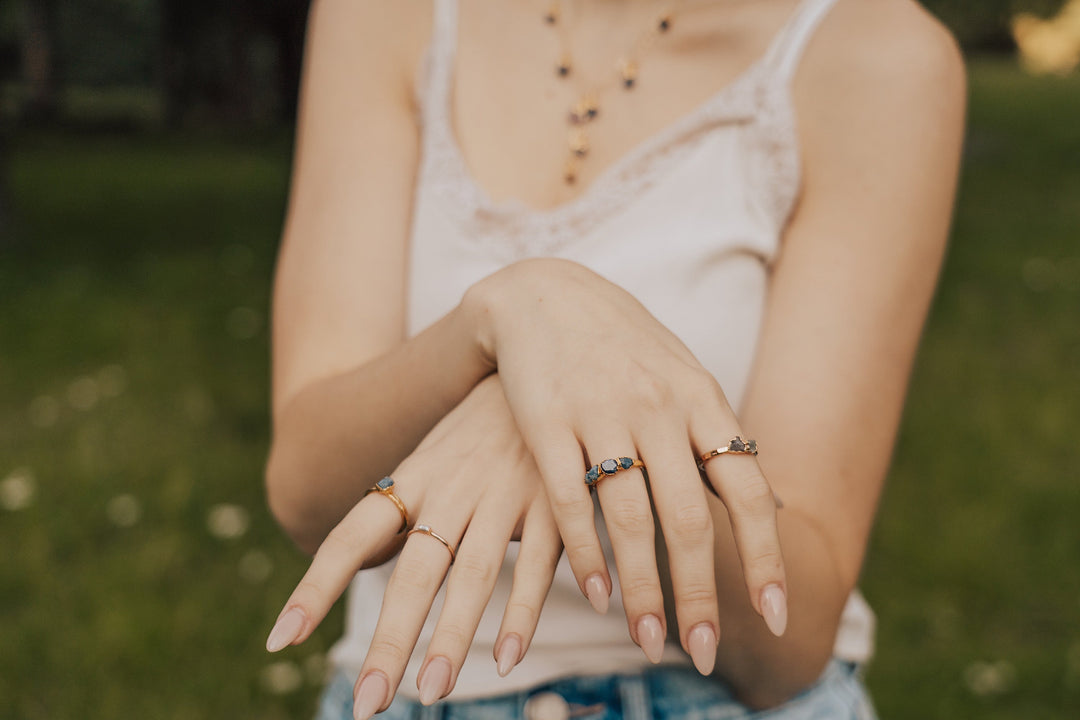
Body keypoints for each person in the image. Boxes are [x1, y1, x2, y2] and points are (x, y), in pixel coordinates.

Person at [262, 0, 966, 718]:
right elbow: (306, 495)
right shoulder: (384, 15)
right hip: (400, 695)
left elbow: (787, 643)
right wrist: (509, 319)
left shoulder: (874, 55)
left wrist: (582, 425)